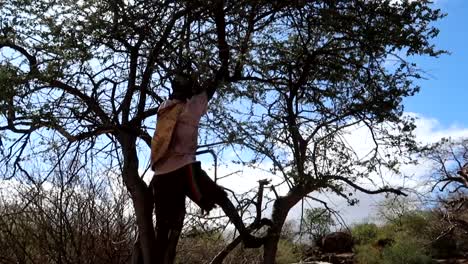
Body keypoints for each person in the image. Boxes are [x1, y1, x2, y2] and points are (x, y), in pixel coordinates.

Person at [150, 72, 266, 263]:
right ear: (189, 90)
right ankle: (246, 237)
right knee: (221, 198)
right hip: (183, 168)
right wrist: (219, 71)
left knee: (162, 227)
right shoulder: (191, 107)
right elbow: (210, 89)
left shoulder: (163, 108)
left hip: (160, 174)